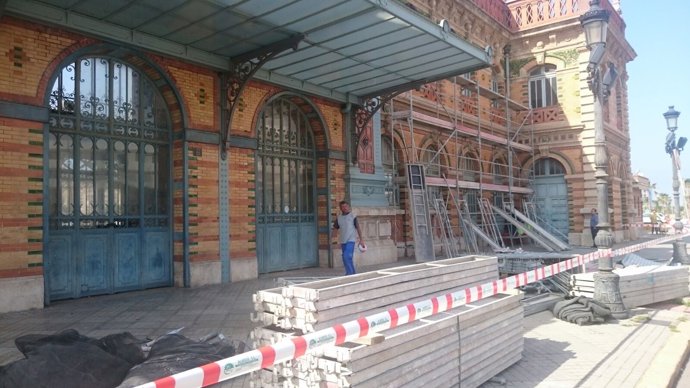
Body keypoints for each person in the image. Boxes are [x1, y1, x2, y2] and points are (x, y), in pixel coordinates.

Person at [333, 200, 364, 275]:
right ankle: (352, 273)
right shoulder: (339, 218)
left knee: (346, 256)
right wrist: (334, 241)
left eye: (346, 206)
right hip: (343, 241)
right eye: (343, 207)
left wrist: (361, 240)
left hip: (351, 240)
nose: (345, 208)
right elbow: (335, 229)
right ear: (340, 208)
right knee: (347, 259)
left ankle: (349, 274)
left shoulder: (353, 216)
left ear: (349, 207)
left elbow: (358, 228)